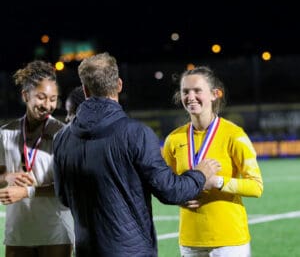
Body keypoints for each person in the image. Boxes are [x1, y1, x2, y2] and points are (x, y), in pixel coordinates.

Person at [52, 52, 222, 257]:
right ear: (119, 85)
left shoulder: (61, 138)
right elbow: (170, 191)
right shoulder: (136, 133)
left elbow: (63, 197)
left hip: (86, 250)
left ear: (86, 90)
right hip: (131, 250)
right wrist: (200, 174)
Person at [162, 66, 264, 257]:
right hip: (191, 241)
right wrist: (179, 197)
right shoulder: (173, 140)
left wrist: (216, 182)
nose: (190, 96)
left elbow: (256, 187)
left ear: (214, 94)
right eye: (185, 91)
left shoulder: (234, 135)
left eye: (197, 90)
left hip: (229, 241)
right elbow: (167, 185)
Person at [0, 60, 74, 257]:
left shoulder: (63, 134)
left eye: (53, 99)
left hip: (55, 233)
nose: (47, 105)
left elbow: (68, 186)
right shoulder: (5, 134)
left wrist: (27, 191)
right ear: (26, 95)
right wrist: (6, 178)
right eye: (41, 97)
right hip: (19, 233)